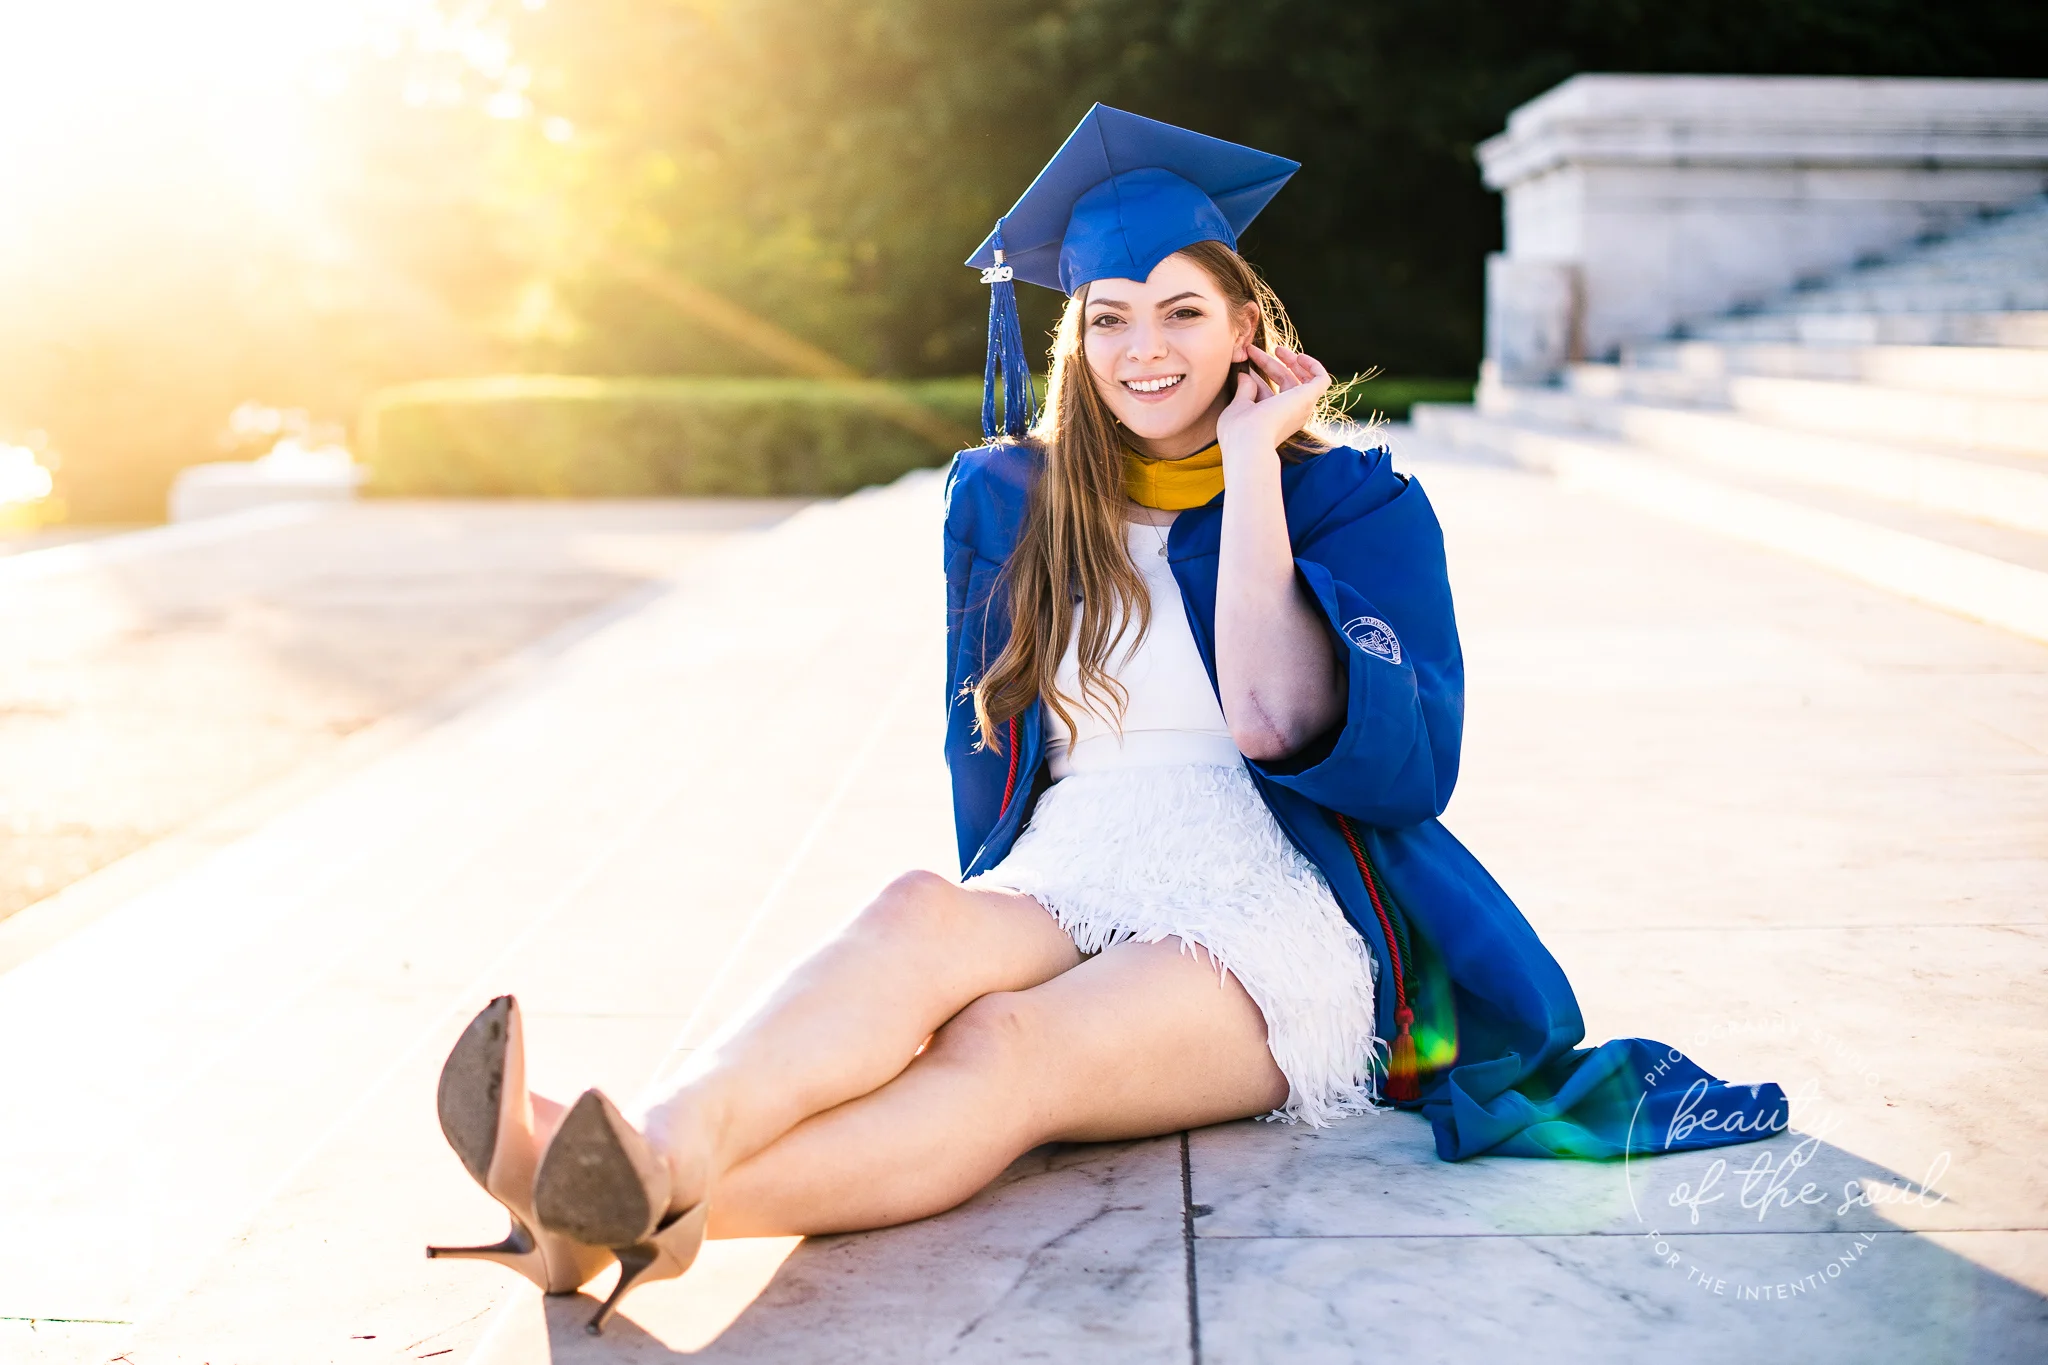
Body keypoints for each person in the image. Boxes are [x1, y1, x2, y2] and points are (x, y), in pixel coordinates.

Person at [426, 106, 1786, 1335]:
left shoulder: (1357, 505)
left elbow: (1282, 722)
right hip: (1076, 862)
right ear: (1077, 335)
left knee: (1006, 1050)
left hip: (1274, 898)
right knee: (912, 913)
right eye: (1117, 315)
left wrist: (1253, 470)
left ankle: (595, 1200)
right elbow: (989, 757)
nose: (1148, 348)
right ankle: (644, 1165)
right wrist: (971, 934)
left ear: (1247, 329)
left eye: (1184, 313)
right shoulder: (1012, 505)